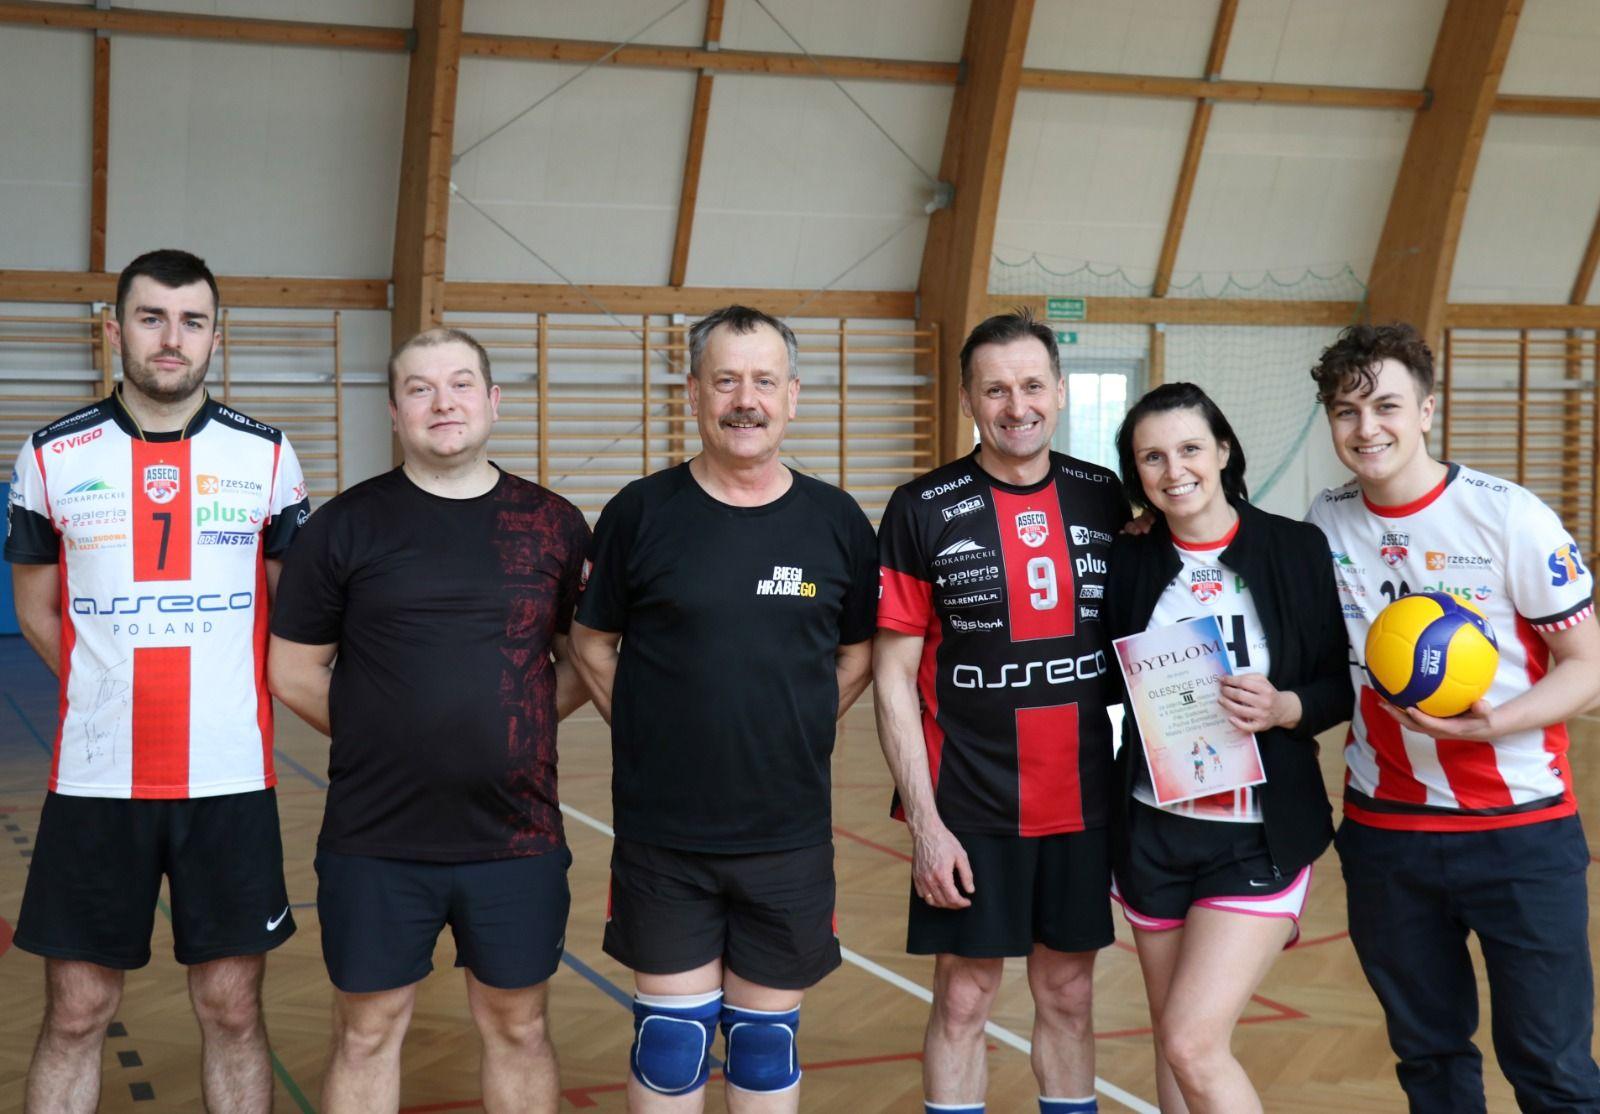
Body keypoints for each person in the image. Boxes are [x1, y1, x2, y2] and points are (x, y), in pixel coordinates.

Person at [5, 248, 311, 1113]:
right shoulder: (52, 454)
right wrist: (112, 688)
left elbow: (295, 618)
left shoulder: (267, 456)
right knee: (76, 1012)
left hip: (229, 779)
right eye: (151, 318)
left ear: (216, 336)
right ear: (115, 330)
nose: (171, 339)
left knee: (232, 1009)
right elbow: (37, 611)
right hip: (97, 780)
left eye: (192, 321)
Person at [267, 328, 590, 1114]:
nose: (443, 402)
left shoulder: (552, 523)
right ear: (394, 410)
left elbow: (585, 659)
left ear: (493, 401)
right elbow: (293, 671)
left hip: (516, 835)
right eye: (420, 388)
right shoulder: (345, 526)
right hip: (376, 836)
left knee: (519, 1028)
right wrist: (389, 735)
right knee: (366, 1034)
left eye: (460, 384)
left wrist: (513, 724)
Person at [568, 305, 877, 1114]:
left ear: (793, 396)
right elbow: (591, 644)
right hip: (665, 838)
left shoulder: (837, 521)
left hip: (787, 835)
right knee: (670, 1047)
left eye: (764, 381)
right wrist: (650, 730)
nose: (746, 400)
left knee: (764, 1050)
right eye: (727, 380)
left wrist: (795, 726)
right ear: (694, 393)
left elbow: (858, 654)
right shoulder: (641, 512)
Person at [1304, 322, 1600, 1113]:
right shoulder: (1324, 522)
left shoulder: (1509, 516)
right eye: (1346, 411)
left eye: (1386, 406)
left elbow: (1589, 666)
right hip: (1386, 836)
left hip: (1521, 832)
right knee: (1429, 1063)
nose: (1367, 428)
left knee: (1553, 1071)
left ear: (1427, 410)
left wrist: (1494, 726)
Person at [874, 310, 1130, 1114]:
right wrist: (925, 825)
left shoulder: (1104, 495)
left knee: (1070, 994)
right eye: (995, 390)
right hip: (970, 803)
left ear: (1060, 390)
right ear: (967, 399)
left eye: (1031, 386)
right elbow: (892, 677)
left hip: (1082, 800)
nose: (1016, 406)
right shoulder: (921, 506)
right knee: (963, 998)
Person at [1103, 382, 1350, 1113]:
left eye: (1189, 448)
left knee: (1192, 1041)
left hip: (1256, 836)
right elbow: (1108, 681)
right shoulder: (1129, 558)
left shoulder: (1294, 548)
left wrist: (1284, 707)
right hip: (1152, 832)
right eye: (1152, 456)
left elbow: (1338, 685)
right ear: (1136, 472)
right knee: (1171, 1041)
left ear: (1223, 450)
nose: (1173, 469)